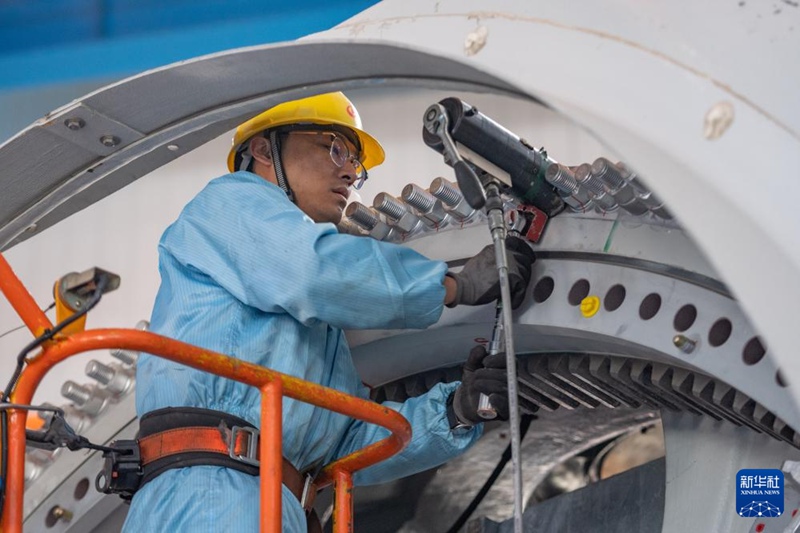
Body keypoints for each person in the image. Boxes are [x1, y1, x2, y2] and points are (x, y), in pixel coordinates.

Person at [122, 92, 535, 532]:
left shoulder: (321, 338)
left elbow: (347, 448)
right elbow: (310, 271)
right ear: (264, 150)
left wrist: (454, 412)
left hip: (276, 502)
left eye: (357, 164)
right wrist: (451, 286)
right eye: (335, 148)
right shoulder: (229, 202)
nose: (349, 173)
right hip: (207, 493)